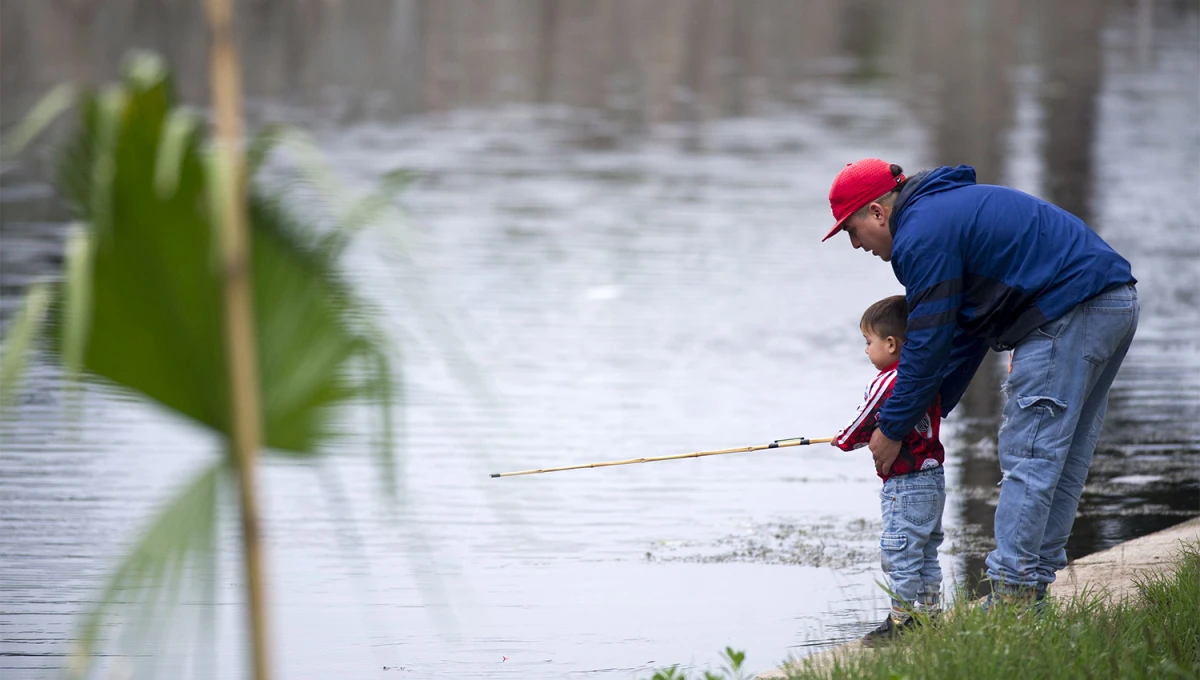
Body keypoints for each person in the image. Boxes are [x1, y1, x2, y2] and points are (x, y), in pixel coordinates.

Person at [821, 159, 1139, 608]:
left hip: (1067, 310)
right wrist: (927, 413)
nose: (855, 244)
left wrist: (892, 428)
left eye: (851, 230)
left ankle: (1012, 595)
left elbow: (928, 343)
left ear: (877, 212)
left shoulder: (919, 235)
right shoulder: (940, 213)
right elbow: (964, 330)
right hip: (1114, 302)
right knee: (1061, 461)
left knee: (1030, 458)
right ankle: (1030, 592)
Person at [834, 295, 946, 645]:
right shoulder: (923, 378)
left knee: (899, 551)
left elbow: (864, 420)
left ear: (891, 344)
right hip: (933, 479)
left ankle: (900, 622)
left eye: (868, 342)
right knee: (925, 551)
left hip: (905, 484)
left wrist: (842, 441)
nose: (866, 350)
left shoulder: (887, 381)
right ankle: (929, 616)